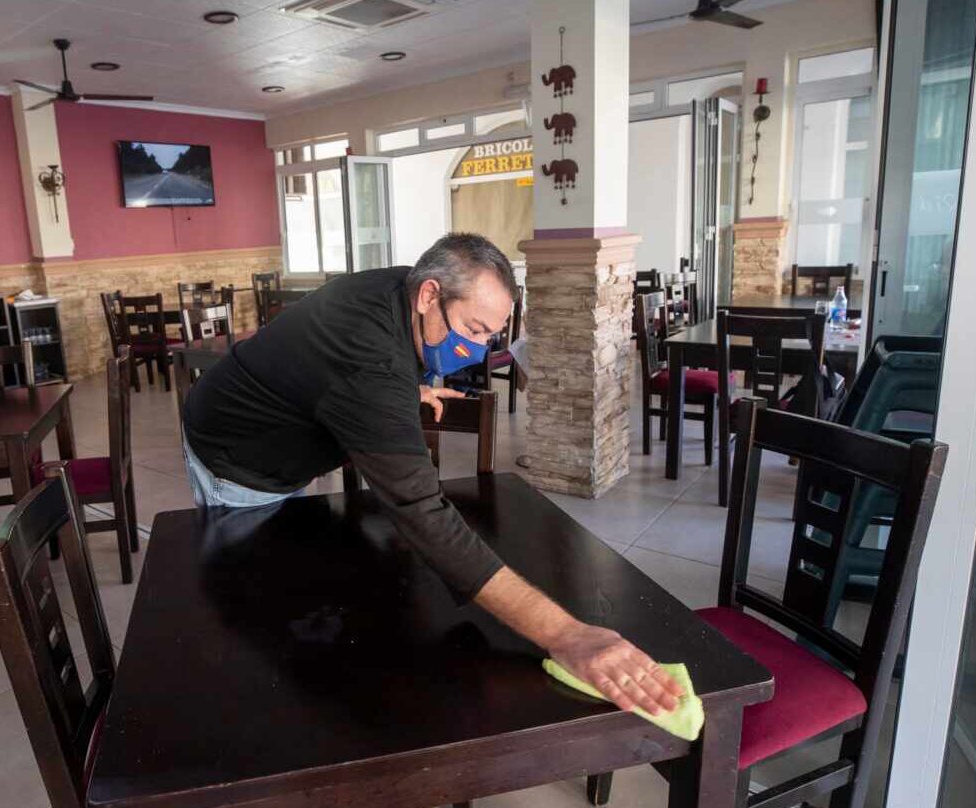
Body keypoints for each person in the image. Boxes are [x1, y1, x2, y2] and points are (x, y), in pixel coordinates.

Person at [182, 233, 682, 716]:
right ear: (430, 295)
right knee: (262, 603)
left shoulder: (403, 294)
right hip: (239, 459)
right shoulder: (369, 359)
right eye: (474, 329)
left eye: (491, 335)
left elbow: (355, 371)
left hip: (288, 425)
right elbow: (422, 512)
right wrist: (567, 634)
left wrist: (407, 392)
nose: (480, 351)